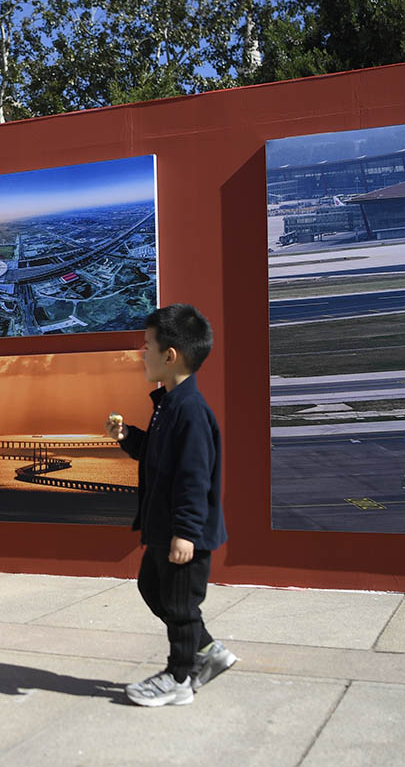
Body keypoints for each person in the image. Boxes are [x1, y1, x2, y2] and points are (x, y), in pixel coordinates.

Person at [105, 303, 235, 707]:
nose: (142, 353)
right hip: (165, 527)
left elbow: (194, 477)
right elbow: (158, 456)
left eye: (148, 345)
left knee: (180, 606)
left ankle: (179, 678)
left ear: (170, 355)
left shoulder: (190, 411)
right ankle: (209, 651)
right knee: (152, 586)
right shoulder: (169, 405)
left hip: (182, 532)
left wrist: (186, 533)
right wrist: (128, 437)